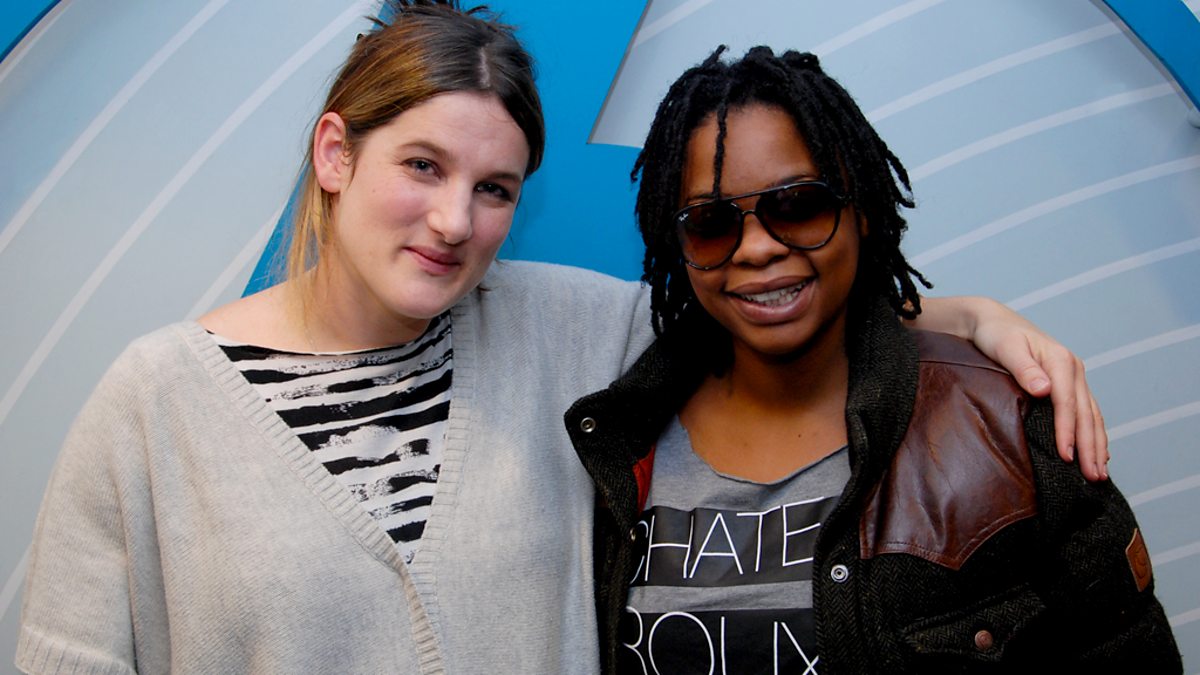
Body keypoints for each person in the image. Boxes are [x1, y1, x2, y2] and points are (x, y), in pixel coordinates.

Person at [17, 3, 1109, 673]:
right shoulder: (155, 400)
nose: (455, 221)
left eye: (495, 188)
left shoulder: (565, 329)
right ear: (336, 153)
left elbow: (767, 300)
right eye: (423, 167)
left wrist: (970, 317)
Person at [567, 45, 1181, 673]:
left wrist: (977, 318)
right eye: (711, 222)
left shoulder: (1006, 424)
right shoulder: (619, 439)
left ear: (859, 210)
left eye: (797, 205)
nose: (755, 249)